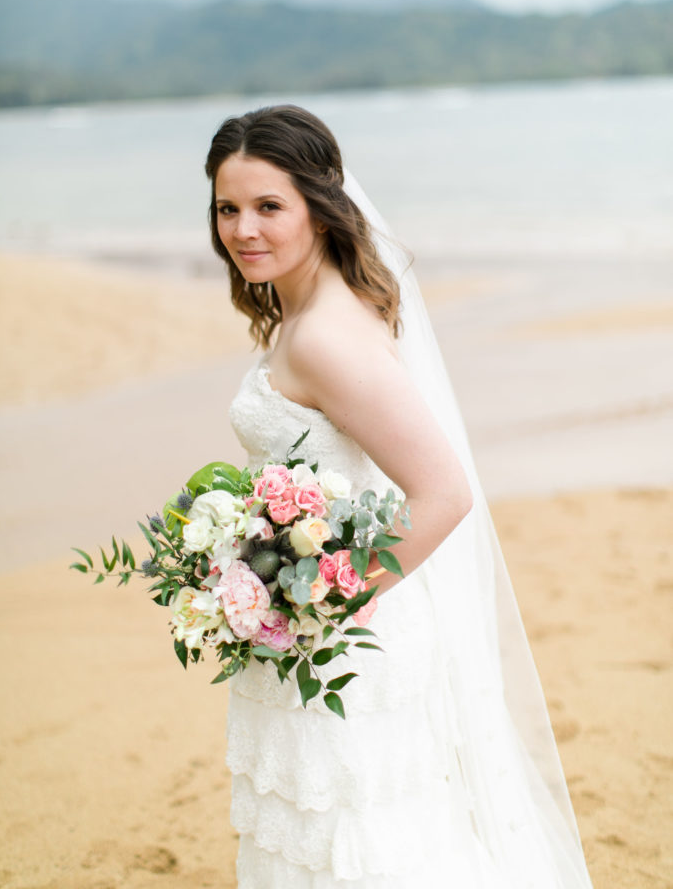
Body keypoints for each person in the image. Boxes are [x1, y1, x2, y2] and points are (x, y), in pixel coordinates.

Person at [205, 105, 595, 888]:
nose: (243, 228)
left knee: (362, 848)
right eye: (227, 208)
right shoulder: (305, 310)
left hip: (344, 641)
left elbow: (443, 493)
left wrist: (318, 603)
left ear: (320, 206)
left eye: (268, 206)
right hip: (317, 622)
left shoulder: (320, 336)